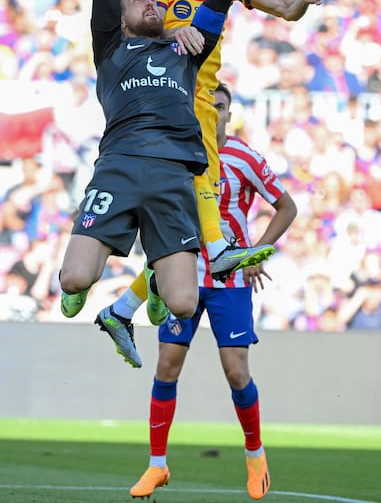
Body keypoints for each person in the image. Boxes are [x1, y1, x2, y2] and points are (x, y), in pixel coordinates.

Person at [97, 0, 326, 340]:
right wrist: (172, 34)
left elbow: (282, 7)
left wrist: (301, 0)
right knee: (196, 177)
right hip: (165, 87)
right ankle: (208, 253)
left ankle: (142, 293)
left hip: (202, 88)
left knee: (194, 183)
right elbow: (143, 22)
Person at [59, 0, 270, 324]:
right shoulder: (111, 49)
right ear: (119, 18)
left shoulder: (189, 49)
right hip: (120, 164)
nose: (149, 1)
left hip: (174, 175)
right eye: (137, 0)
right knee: (75, 279)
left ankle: (154, 283)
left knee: (184, 304)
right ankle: (87, 283)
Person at [125, 83, 297, 499]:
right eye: (207, 106)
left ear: (229, 114)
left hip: (230, 280)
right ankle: (157, 466)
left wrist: (255, 254)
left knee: (236, 372)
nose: (214, 113)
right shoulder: (181, 153)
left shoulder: (245, 157)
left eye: (220, 107)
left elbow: (287, 207)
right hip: (183, 272)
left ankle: (255, 455)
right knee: (166, 367)